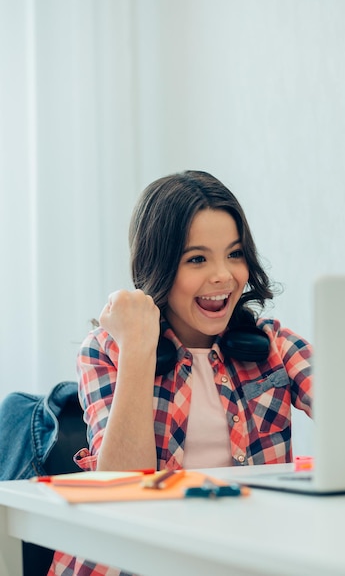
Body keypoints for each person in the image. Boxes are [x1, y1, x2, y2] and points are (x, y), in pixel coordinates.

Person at [48, 170, 313, 576]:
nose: (223, 275)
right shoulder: (107, 351)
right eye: (197, 259)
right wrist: (138, 347)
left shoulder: (274, 346)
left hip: (238, 557)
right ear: (160, 265)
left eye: (235, 254)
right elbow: (121, 490)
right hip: (132, 562)